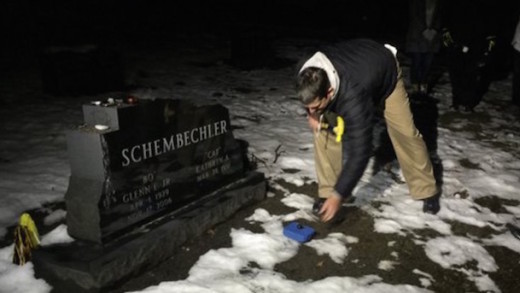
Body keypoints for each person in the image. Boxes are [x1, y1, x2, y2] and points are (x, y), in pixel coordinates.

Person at [296, 39, 440, 222]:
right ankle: (327, 192)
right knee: (323, 131)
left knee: (404, 133)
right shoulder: (305, 71)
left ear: (330, 92)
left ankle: (426, 190)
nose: (311, 111)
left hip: (385, 72)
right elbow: (310, 102)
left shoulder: (354, 96)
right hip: (356, 65)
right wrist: (313, 115)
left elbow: (361, 150)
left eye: (316, 106)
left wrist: (340, 195)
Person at [442, 0, 500, 112]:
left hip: (476, 45)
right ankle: (457, 101)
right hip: (457, 44)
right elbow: (447, 20)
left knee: (470, 76)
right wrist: (448, 40)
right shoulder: (455, 4)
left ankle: (468, 102)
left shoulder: (484, 6)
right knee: (456, 74)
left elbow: (491, 25)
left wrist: (488, 46)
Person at [405, 0, 443, 95]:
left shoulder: (438, 3)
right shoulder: (416, 2)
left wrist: (434, 30)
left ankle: (423, 83)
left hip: (432, 38)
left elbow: (440, 18)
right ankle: (415, 84)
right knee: (417, 62)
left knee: (428, 63)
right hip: (417, 37)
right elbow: (415, 16)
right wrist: (424, 30)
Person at [512, 16, 520, 107]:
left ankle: (516, 98)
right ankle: (516, 99)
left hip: (517, 46)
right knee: (518, 75)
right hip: (518, 48)